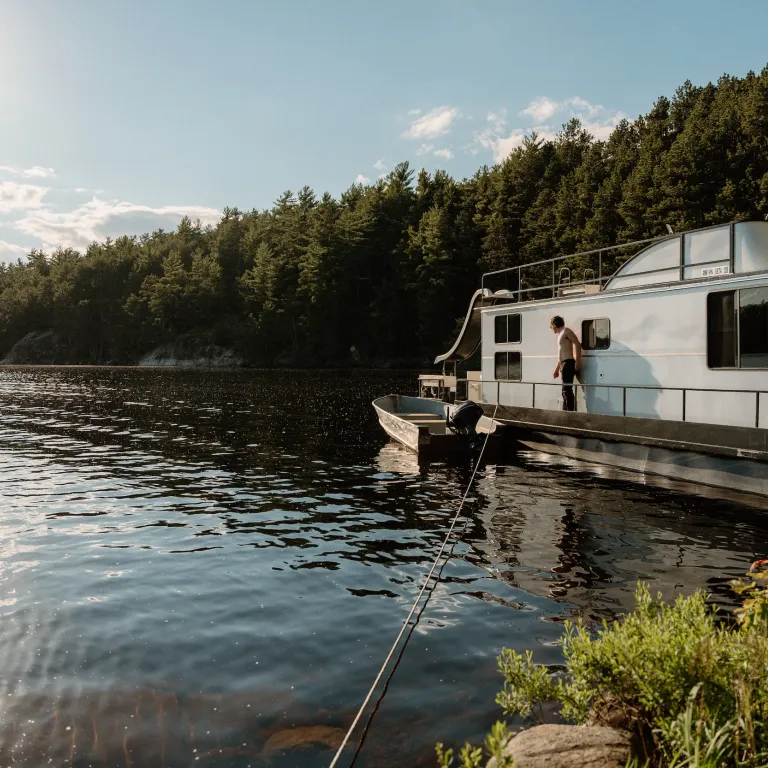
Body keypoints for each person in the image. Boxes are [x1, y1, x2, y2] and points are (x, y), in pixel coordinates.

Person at [550, 316, 581, 411]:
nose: (551, 329)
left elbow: (577, 343)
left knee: (567, 390)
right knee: (564, 391)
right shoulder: (560, 335)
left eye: (551, 327)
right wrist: (556, 369)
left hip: (568, 363)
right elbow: (560, 355)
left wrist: (577, 361)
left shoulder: (566, 331)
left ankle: (570, 413)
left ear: (555, 325)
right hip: (563, 364)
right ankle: (566, 412)